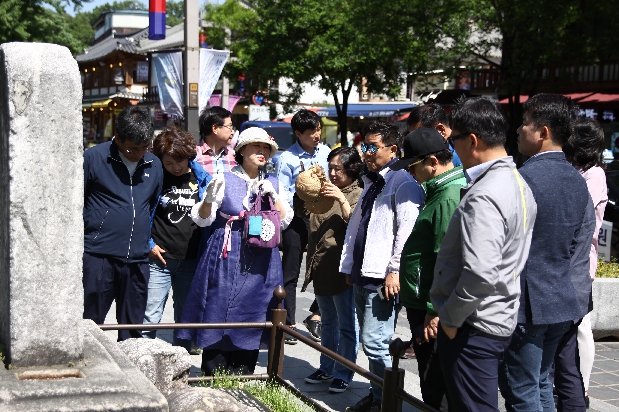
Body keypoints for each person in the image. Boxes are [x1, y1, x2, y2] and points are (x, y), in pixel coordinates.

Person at [430, 97, 537, 411]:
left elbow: (480, 273)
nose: (453, 150)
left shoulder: (486, 193)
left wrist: (449, 319)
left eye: (454, 141)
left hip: (473, 327)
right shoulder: (517, 182)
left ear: (472, 140)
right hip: (494, 319)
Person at [498, 93, 596, 412]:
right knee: (540, 382)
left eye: (525, 123)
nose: (518, 130)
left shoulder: (522, 180)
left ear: (543, 132)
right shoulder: (578, 181)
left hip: (526, 303)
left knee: (522, 388)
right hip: (562, 299)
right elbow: (580, 248)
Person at [179, 127, 293, 375]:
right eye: (257, 147)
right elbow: (202, 219)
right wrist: (208, 199)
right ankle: (214, 370)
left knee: (256, 307)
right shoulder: (224, 178)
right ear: (241, 151)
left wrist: (275, 198)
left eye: (266, 149)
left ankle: (244, 371)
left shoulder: (273, 183)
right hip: (227, 250)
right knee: (219, 304)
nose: (263, 152)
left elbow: (284, 221)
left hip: (263, 255)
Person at [341, 121, 424, 412]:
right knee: (371, 342)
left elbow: (407, 231)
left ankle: (388, 401)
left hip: (382, 277)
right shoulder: (373, 180)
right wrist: (351, 266)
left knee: (377, 343)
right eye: (363, 146)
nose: (365, 152)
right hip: (364, 273)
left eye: (372, 147)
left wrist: (395, 270)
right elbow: (360, 227)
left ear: (393, 149)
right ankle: (379, 396)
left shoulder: (403, 182)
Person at [396, 128, 466, 410]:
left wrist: (433, 311)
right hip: (427, 300)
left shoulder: (448, 196)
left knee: (435, 382)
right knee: (434, 379)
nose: (411, 173)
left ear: (433, 162)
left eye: (413, 166)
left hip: (431, 305)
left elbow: (444, 258)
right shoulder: (439, 190)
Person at [83, 106, 163, 341]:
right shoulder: (94, 158)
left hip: (138, 259)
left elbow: (152, 205)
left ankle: (130, 375)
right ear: (117, 138)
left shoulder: (154, 164)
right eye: (133, 148)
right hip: (99, 255)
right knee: (90, 321)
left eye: (144, 147)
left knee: (132, 328)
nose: (139, 153)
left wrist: (148, 240)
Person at [142, 126, 211, 353]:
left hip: (191, 257)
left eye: (179, 161)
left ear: (188, 155)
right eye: (169, 163)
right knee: (151, 310)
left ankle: (181, 353)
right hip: (159, 258)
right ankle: (144, 352)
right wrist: (150, 246)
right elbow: (142, 213)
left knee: (186, 309)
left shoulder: (202, 179)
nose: (175, 168)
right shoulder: (156, 178)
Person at [555, 117, 608, 409]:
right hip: (567, 258)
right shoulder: (576, 170)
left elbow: (578, 211)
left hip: (581, 261)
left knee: (582, 326)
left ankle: (582, 386)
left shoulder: (595, 174)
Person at [302, 147, 364, 394]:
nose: (333, 173)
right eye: (331, 168)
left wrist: (340, 198)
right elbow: (305, 213)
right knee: (327, 322)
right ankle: (326, 367)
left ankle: (344, 372)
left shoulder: (358, 193)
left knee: (347, 325)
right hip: (321, 268)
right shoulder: (324, 192)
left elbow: (357, 226)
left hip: (343, 271)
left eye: (338, 168)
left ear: (351, 168)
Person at [276, 109, 330, 344]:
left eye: (318, 129)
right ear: (298, 133)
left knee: (324, 266)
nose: (317, 135)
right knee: (290, 270)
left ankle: (317, 314)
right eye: (311, 132)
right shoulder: (286, 158)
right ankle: (289, 322)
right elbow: (282, 192)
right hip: (295, 219)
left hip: (323, 217)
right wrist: (286, 220)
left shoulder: (326, 153)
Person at [195, 106, 237, 175]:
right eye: (229, 126)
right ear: (215, 128)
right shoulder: (194, 156)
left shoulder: (234, 156)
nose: (232, 132)